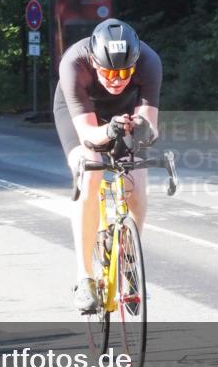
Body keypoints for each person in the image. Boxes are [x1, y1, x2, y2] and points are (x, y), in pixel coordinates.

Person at [54, 19, 161, 313]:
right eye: (109, 72)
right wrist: (109, 131)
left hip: (124, 112)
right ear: (93, 61)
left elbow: (150, 126)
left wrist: (142, 128)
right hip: (81, 113)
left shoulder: (149, 62)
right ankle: (84, 277)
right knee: (90, 170)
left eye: (125, 72)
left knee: (137, 184)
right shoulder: (73, 63)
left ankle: (128, 260)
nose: (116, 79)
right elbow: (89, 134)